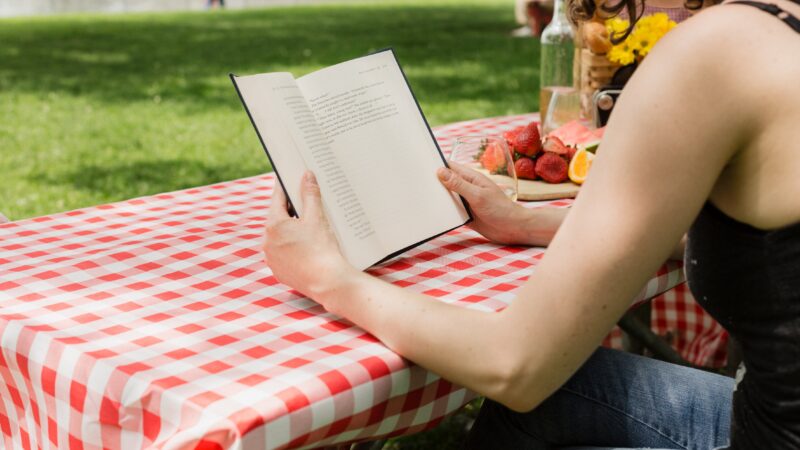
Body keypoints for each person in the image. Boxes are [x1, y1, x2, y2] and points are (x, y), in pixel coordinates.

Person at [262, 0, 800, 446]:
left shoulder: (717, 52)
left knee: (532, 393)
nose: (611, 30)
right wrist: (529, 223)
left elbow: (514, 366)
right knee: (567, 390)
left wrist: (326, 277)